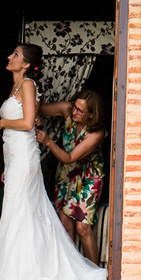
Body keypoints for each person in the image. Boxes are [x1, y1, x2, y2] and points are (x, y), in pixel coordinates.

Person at [0, 43, 108, 280]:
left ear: (27, 64)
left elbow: (30, 124)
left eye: (16, 55)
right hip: (25, 161)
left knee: (77, 226)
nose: (10, 56)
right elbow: (33, 113)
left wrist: (3, 122)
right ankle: (19, 269)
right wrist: (9, 165)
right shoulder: (20, 88)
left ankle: (88, 270)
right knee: (25, 213)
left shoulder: (28, 85)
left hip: (83, 174)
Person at [36, 89, 108, 264]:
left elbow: (69, 158)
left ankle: (95, 274)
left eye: (80, 111)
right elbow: (39, 108)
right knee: (65, 225)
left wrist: (48, 141)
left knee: (82, 227)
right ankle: (72, 270)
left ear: (91, 115)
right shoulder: (68, 110)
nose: (74, 112)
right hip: (66, 176)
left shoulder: (96, 133)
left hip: (89, 177)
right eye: (75, 107)